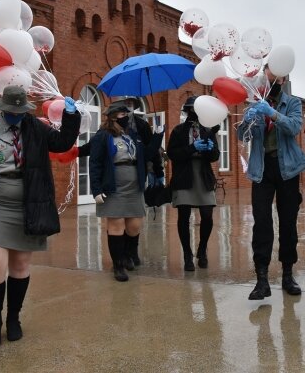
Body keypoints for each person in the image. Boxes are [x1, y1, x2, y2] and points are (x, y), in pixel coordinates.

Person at [0, 85, 81, 347]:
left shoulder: (36, 128)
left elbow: (62, 143)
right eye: (11, 112)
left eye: (20, 112)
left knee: (21, 266)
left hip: (28, 204)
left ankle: (13, 318)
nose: (16, 116)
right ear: (2, 109)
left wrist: (72, 116)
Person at [238, 66, 305, 299]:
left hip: (287, 169)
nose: (273, 77)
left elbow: (294, 127)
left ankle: (288, 275)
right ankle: (261, 280)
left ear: (285, 77)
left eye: (278, 74)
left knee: (288, 222)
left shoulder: (293, 103)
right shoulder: (255, 101)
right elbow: (243, 137)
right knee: (262, 223)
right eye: (269, 72)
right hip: (262, 170)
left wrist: (272, 113)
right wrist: (245, 122)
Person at [89, 102, 162, 281]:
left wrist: (158, 135)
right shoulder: (102, 136)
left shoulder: (132, 135)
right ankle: (118, 265)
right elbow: (95, 162)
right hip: (113, 187)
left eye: (126, 114)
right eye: (122, 115)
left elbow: (147, 153)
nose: (126, 118)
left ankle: (129, 254)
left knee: (134, 226)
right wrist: (96, 189)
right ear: (113, 117)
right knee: (116, 225)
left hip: (134, 187)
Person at [167, 96, 220, 271]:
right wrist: (192, 148)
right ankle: (187, 255)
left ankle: (202, 249)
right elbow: (172, 154)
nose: (195, 114)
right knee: (183, 217)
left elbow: (215, 156)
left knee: (207, 216)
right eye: (192, 110)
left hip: (203, 176)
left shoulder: (208, 130)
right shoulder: (178, 130)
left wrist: (210, 148)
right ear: (188, 111)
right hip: (184, 176)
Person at [113, 96, 165, 268]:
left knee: (135, 219)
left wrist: (158, 172)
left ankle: (132, 252)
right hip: (117, 178)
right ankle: (120, 257)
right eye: (125, 105)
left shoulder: (141, 125)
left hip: (139, 173)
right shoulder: (110, 128)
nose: (128, 107)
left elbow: (151, 150)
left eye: (130, 105)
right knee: (117, 221)